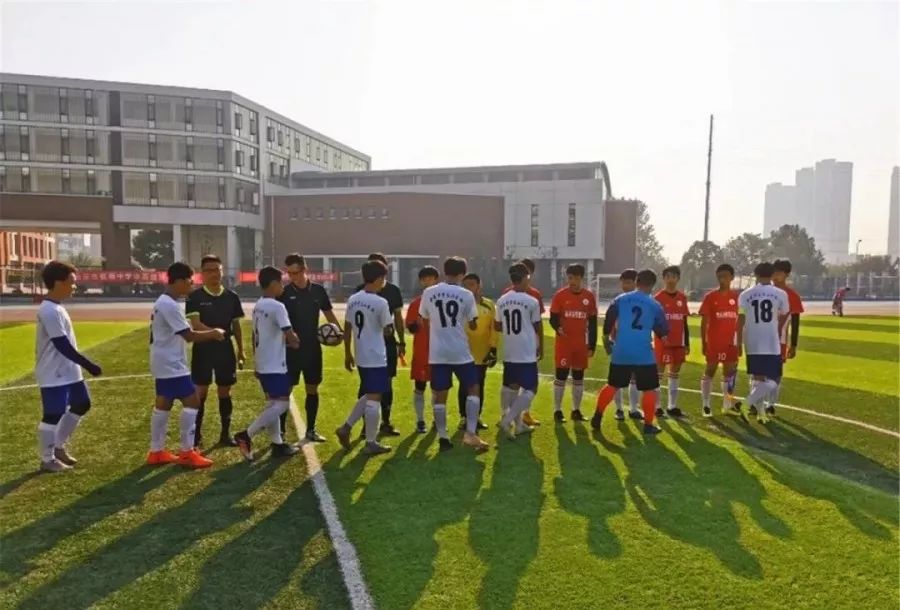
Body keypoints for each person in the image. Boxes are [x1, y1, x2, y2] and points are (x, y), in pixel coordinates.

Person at [147, 262, 225, 469]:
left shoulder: (164, 302)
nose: (192, 285)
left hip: (162, 361)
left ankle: (156, 451)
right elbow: (189, 336)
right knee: (192, 402)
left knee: (163, 405)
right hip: (171, 364)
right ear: (180, 281)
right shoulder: (169, 305)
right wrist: (214, 333)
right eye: (190, 281)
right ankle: (187, 451)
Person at [34, 261, 103, 472]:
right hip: (53, 371)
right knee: (53, 413)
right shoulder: (48, 310)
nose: (75, 286)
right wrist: (88, 364)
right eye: (72, 282)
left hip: (69, 370)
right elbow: (61, 344)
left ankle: (58, 447)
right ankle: (47, 459)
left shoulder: (57, 307)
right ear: (58, 283)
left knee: (82, 404)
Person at [419, 256, 489, 452]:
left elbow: (423, 319)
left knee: (440, 395)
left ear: (444, 271)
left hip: (438, 352)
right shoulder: (466, 294)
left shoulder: (429, 292)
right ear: (462, 274)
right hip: (459, 350)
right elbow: (473, 324)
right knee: (473, 388)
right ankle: (471, 434)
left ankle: (443, 437)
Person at [233, 266, 301, 460]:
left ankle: (277, 444)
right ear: (273, 284)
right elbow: (290, 335)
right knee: (282, 404)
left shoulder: (259, 304)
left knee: (273, 403)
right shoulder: (277, 306)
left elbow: (256, 335)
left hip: (263, 361)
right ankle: (246, 435)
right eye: (281, 282)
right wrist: (297, 341)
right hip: (274, 363)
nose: (283, 286)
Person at [592, 269, 668, 435]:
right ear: (653, 285)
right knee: (649, 389)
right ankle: (648, 425)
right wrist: (664, 339)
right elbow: (662, 329)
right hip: (643, 353)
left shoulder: (620, 299)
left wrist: (606, 339)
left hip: (621, 350)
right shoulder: (655, 304)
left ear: (637, 281)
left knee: (612, 385)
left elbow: (609, 320)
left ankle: (597, 415)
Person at [278, 253, 343, 443]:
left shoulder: (318, 291)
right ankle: (280, 432)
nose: (292, 277)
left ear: (305, 270)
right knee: (285, 391)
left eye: (295, 273)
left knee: (312, 389)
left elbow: (329, 315)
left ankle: (311, 429)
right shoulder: (284, 293)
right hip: (291, 350)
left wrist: (338, 334)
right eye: (289, 273)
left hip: (313, 349)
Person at [335, 260, 395, 455]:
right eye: (384, 278)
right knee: (375, 398)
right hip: (376, 354)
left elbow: (348, 326)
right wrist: (389, 328)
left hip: (361, 353)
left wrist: (347, 352)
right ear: (379, 279)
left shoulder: (353, 299)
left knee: (369, 394)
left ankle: (345, 428)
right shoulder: (380, 302)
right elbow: (388, 330)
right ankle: (370, 441)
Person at [185, 254, 245, 448]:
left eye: (217, 270)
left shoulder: (232, 297)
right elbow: (195, 324)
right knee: (200, 392)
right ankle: (196, 436)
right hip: (203, 349)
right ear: (201, 273)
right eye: (209, 270)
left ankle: (225, 435)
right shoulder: (195, 297)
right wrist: (212, 333)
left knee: (224, 391)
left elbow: (236, 326)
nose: (214, 274)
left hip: (225, 350)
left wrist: (241, 350)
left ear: (222, 271)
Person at [354, 253, 405, 437]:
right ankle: (365, 426)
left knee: (386, 383)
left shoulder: (392, 290)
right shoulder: (361, 292)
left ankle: (385, 421)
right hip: (373, 345)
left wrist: (401, 341)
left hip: (386, 345)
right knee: (367, 386)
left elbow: (398, 318)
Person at [495, 263, 544, 439]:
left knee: (513, 387)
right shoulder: (531, 300)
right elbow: (538, 326)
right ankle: (507, 419)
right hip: (526, 350)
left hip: (510, 350)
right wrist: (542, 347)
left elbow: (497, 325)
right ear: (525, 278)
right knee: (531, 387)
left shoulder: (502, 300)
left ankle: (519, 425)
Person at [736, 262, 789, 423]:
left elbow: (740, 319)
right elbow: (785, 313)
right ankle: (749, 406)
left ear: (756, 275)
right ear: (772, 274)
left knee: (758, 379)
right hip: (771, 341)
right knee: (774, 379)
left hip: (752, 341)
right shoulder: (780, 294)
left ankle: (759, 413)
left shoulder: (745, 294)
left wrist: (738, 342)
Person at [549, 263, 597, 423]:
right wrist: (558, 328)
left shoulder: (589, 297)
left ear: (581, 278)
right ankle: (557, 410)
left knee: (578, 376)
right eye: (570, 277)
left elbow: (593, 322)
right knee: (561, 376)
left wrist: (592, 345)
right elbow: (553, 318)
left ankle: (576, 410)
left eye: (576, 278)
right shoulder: (560, 295)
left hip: (580, 345)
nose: (572, 281)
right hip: (564, 344)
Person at [698, 264, 741, 417]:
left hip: (731, 343)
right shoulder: (710, 297)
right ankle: (706, 405)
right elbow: (704, 322)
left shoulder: (737, 298)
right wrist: (704, 342)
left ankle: (727, 404)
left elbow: (740, 321)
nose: (722, 279)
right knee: (709, 371)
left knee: (729, 374)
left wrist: (740, 343)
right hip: (715, 342)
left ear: (732, 278)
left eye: (726, 276)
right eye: (720, 276)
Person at [459, 273, 498, 431]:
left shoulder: (489, 305)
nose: (469, 288)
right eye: (466, 285)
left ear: (478, 286)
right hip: (463, 352)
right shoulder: (459, 304)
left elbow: (494, 329)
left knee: (479, 385)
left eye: (472, 284)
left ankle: (476, 417)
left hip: (482, 352)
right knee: (464, 386)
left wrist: (493, 348)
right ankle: (464, 417)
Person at [603, 268, 642, 420]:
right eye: (623, 282)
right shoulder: (618, 301)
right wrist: (607, 341)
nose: (625, 286)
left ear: (636, 283)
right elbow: (608, 320)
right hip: (619, 343)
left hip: (637, 344)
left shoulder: (643, 300)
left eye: (629, 282)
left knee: (635, 377)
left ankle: (633, 409)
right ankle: (619, 409)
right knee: (618, 378)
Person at [768, 259, 804, 416]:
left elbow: (795, 321)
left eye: (779, 273)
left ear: (786, 274)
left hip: (779, 340)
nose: (775, 276)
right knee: (757, 371)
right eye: (773, 272)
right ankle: (757, 403)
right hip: (760, 337)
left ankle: (771, 404)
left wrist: (794, 345)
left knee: (776, 372)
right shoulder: (764, 291)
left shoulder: (792, 296)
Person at [653, 265, 690, 418]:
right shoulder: (657, 298)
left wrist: (687, 342)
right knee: (659, 374)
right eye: (668, 276)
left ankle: (672, 406)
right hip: (663, 343)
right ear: (664, 278)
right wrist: (660, 337)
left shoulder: (682, 297)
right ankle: (657, 407)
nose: (671, 280)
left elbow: (684, 320)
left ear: (678, 279)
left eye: (673, 277)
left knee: (674, 374)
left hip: (679, 342)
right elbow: (653, 322)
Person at [406, 266, 439, 433]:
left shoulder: (441, 300)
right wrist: (415, 325)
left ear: (436, 280)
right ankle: (420, 420)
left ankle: (436, 419)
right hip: (421, 352)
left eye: (431, 278)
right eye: (424, 279)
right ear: (420, 281)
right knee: (420, 387)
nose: (427, 281)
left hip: (439, 351)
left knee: (437, 387)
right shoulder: (415, 304)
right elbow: (410, 327)